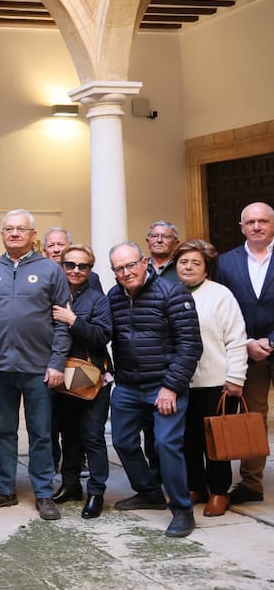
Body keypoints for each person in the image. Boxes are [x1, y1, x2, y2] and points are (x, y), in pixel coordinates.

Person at [0, 209, 70, 521]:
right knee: (4, 431)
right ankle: (4, 488)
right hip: (0, 368)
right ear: (2, 234)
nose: (14, 233)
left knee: (41, 433)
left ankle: (43, 492)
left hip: (38, 368)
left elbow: (62, 324)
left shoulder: (50, 271)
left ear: (32, 235)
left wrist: (57, 362)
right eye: (9, 229)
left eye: (21, 229)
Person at [106, 241, 203, 537]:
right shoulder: (114, 296)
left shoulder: (172, 293)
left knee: (166, 444)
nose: (126, 272)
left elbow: (190, 345)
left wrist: (171, 387)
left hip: (164, 385)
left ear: (144, 261)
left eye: (131, 265)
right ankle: (149, 492)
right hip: (128, 386)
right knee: (122, 440)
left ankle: (182, 510)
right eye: (119, 268)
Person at [173, 239, 247, 517]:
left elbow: (236, 339)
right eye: (183, 262)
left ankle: (218, 491)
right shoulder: (170, 292)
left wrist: (236, 378)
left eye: (196, 262)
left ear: (207, 269)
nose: (188, 267)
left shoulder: (220, 295)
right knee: (188, 441)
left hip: (218, 383)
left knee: (216, 442)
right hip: (182, 383)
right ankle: (196, 487)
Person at [216, 201, 274, 505]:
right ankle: (252, 483)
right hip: (248, 350)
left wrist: (271, 341)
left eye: (263, 220)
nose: (257, 226)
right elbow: (226, 307)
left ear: (272, 224)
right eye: (250, 222)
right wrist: (247, 342)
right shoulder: (226, 263)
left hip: (270, 343)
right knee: (254, 415)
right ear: (242, 227)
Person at [49, 243, 112, 519]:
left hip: (90, 377)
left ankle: (96, 491)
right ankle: (70, 484)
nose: (76, 270)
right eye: (70, 265)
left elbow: (102, 336)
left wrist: (73, 320)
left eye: (82, 266)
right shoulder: (53, 294)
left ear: (90, 269)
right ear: (61, 266)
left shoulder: (98, 300)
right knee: (68, 434)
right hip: (61, 375)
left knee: (92, 436)